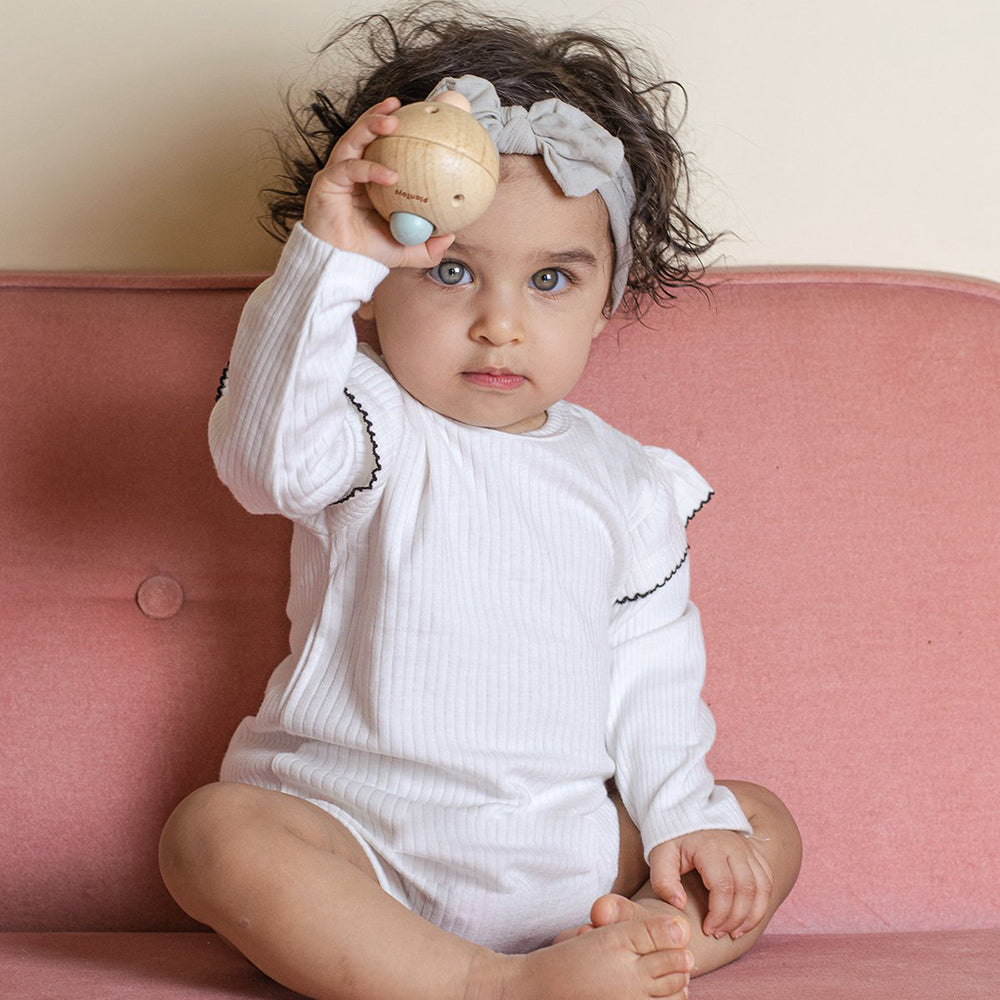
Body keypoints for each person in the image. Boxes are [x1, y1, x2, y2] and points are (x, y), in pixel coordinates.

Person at [159, 5, 801, 999]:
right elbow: (261, 462)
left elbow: (652, 678)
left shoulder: (631, 481)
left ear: (605, 301)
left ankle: (633, 948)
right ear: (379, 285)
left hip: (565, 854)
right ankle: (483, 984)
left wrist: (681, 815)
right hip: (357, 843)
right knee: (210, 832)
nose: (498, 325)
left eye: (550, 279)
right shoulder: (365, 416)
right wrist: (328, 255)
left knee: (755, 824)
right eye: (453, 270)